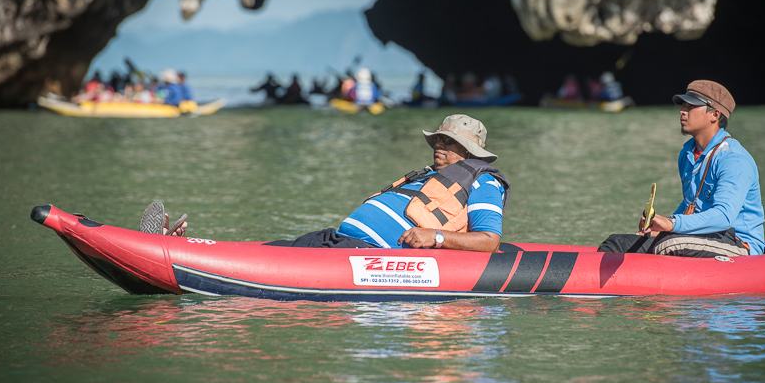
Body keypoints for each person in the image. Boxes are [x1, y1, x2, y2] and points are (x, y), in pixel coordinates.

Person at [146, 114, 510, 252]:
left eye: (448, 143)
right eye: (438, 140)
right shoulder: (429, 176)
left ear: (469, 151)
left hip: (367, 258)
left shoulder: (483, 183)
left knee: (280, 259)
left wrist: (438, 237)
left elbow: (490, 240)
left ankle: (182, 256)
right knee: (273, 249)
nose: (439, 147)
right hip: (338, 238)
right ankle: (184, 248)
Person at [598, 80, 765, 257]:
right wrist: (659, 227)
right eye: (683, 105)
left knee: (669, 244)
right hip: (698, 239)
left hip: (739, 244)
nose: (682, 111)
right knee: (616, 242)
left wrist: (671, 224)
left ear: (715, 115)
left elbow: (724, 217)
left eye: (691, 106)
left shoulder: (734, 159)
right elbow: (689, 204)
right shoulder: (687, 153)